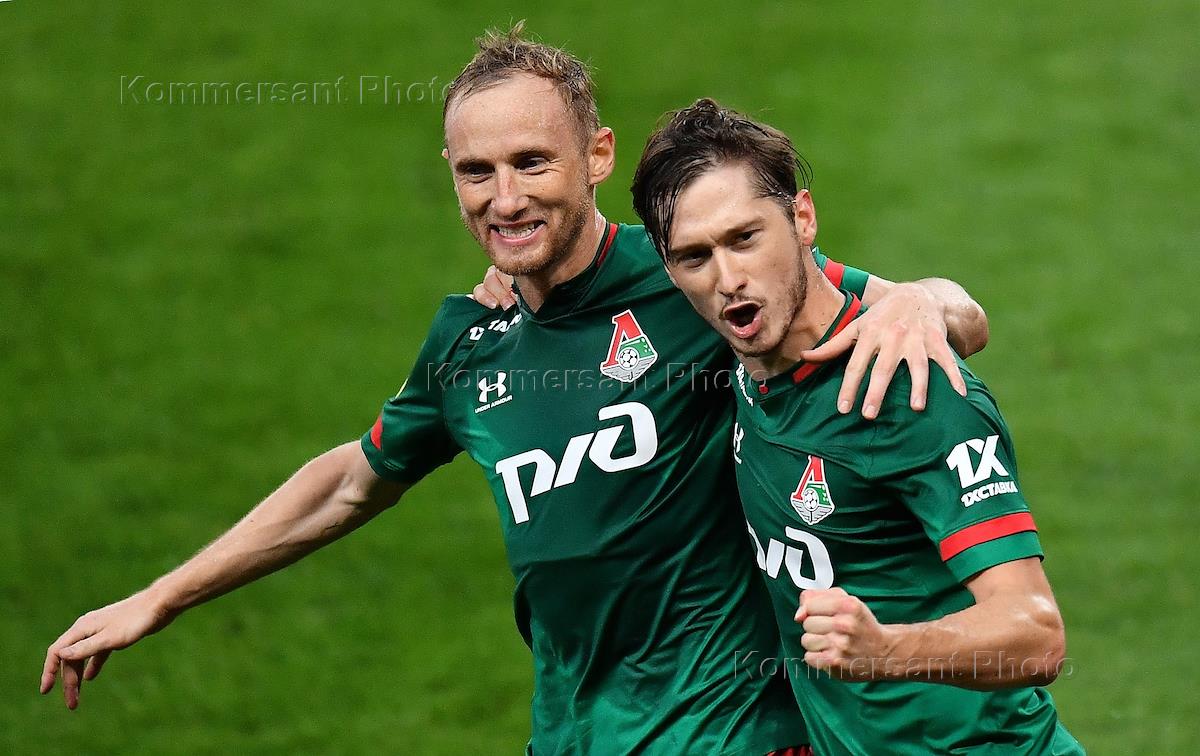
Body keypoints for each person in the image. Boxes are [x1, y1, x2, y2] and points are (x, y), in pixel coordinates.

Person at [42, 27, 988, 754]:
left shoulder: (690, 278)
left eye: (533, 163)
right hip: (571, 734)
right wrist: (163, 596)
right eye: (477, 172)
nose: (506, 200)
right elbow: (352, 481)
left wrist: (919, 299)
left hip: (735, 731)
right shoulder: (469, 342)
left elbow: (912, 313)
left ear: (598, 156)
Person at [630, 98, 1083, 754]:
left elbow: (1037, 635)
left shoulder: (909, 388)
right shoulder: (747, 347)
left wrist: (885, 650)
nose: (728, 279)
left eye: (745, 238)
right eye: (694, 256)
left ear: (803, 219)